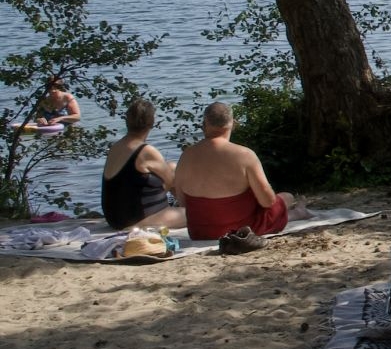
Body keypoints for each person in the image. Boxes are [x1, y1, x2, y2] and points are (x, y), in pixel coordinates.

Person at [174, 102, 313, 248]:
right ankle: (297, 213)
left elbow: (183, 203)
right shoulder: (244, 155)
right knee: (286, 197)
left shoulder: (186, 156)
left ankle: (296, 213)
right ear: (233, 124)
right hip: (239, 229)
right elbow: (267, 202)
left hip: (199, 232)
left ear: (204, 125)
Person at [100, 98, 186, 230]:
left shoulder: (115, 147)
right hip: (134, 220)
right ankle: (181, 206)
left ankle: (177, 205)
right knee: (197, 214)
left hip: (114, 218)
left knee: (171, 167)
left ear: (127, 121)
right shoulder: (146, 151)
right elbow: (170, 181)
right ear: (152, 123)